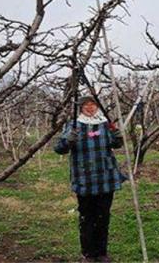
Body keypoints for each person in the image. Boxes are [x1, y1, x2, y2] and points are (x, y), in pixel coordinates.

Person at [54, 96, 126, 263]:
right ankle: (88, 254)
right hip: (84, 178)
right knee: (87, 217)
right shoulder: (74, 125)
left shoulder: (105, 123)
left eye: (93, 104)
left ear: (97, 106)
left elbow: (116, 145)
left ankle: (101, 253)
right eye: (86, 104)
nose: (90, 107)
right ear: (80, 108)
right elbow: (59, 149)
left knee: (103, 216)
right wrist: (68, 141)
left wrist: (117, 136)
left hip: (105, 177)